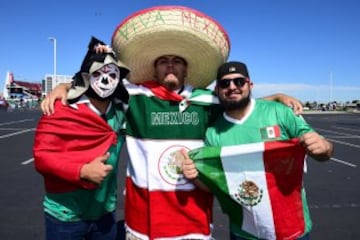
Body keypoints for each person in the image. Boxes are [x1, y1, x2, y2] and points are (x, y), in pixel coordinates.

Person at [40, 6, 304, 240]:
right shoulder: (134, 96)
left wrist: (276, 97)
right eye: (163, 61)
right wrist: (64, 86)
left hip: (194, 223)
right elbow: (97, 86)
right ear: (154, 68)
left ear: (186, 69)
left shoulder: (204, 101)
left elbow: (236, 100)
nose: (170, 66)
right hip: (143, 224)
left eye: (176, 61)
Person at [181, 61, 333, 240]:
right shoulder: (213, 133)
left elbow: (324, 152)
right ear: (217, 90)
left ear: (249, 84)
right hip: (244, 232)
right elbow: (214, 184)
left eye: (238, 81)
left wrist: (323, 147)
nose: (232, 87)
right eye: (225, 83)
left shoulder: (279, 113)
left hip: (291, 228)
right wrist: (194, 176)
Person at [33, 36, 130, 240]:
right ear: (87, 76)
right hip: (65, 216)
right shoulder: (60, 109)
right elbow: (42, 157)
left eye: (112, 74)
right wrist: (81, 171)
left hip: (105, 213)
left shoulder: (121, 111)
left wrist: (64, 86)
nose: (106, 80)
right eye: (98, 73)